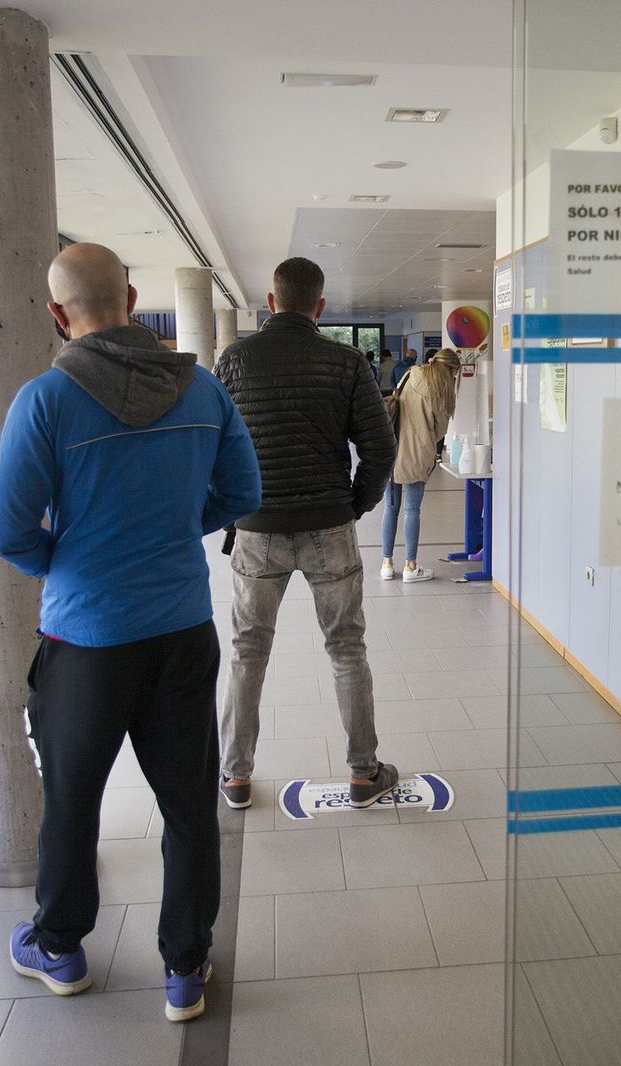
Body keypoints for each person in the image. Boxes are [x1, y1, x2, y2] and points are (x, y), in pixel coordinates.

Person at [0, 243, 261, 1022]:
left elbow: (3, 527)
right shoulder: (202, 390)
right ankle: (185, 967)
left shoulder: (45, 401)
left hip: (85, 644)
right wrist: (178, 528)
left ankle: (61, 947)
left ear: (57, 313)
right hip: (180, 631)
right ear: (133, 300)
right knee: (187, 805)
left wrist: (61, 560)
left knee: (71, 801)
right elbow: (243, 490)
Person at [214, 256, 399, 812]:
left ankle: (235, 776)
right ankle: (364, 773)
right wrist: (354, 505)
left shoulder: (234, 359)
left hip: (257, 529)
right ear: (319, 308)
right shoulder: (345, 362)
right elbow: (381, 448)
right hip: (328, 529)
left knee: (248, 653)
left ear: (271, 303)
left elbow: (218, 449)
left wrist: (236, 509)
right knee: (347, 649)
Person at [382, 348, 461, 583]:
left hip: (392, 448)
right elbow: (440, 431)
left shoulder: (411, 373)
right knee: (412, 510)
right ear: (451, 370)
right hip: (417, 453)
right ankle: (410, 566)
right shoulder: (441, 390)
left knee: (390, 507)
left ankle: (387, 564)